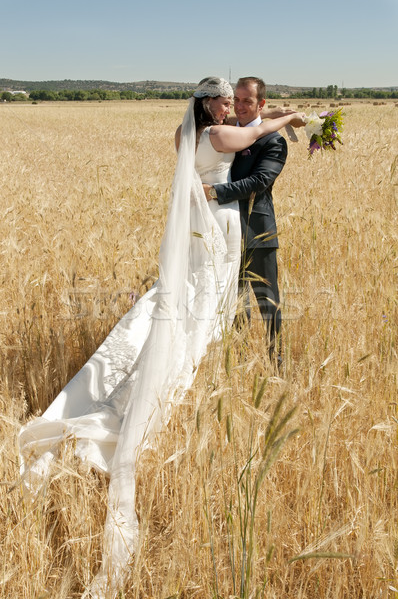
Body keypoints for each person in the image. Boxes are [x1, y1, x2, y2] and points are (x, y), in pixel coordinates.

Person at [18, 77, 305, 598]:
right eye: (222, 99)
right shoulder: (221, 135)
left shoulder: (185, 134)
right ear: (209, 103)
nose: (229, 106)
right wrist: (289, 116)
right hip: (215, 225)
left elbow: (252, 145)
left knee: (204, 300)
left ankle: (243, 353)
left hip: (205, 228)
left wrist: (270, 117)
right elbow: (248, 138)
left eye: (235, 100)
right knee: (205, 306)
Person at [203, 76, 292, 366]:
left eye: (247, 101)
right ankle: (237, 364)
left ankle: (275, 361)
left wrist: (215, 192)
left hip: (258, 232)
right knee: (234, 303)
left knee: (268, 303)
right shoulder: (224, 131)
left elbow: (260, 181)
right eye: (236, 100)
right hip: (222, 231)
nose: (239, 107)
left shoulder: (273, 141)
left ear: (261, 104)